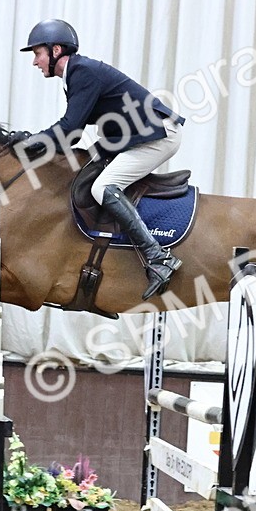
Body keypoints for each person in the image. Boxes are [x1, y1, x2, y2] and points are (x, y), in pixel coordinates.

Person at [19, 19, 184, 300]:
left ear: (55, 50)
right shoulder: (76, 74)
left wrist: (31, 141)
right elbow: (72, 137)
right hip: (130, 136)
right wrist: (35, 142)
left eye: (37, 54)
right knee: (82, 164)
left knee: (102, 188)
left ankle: (159, 257)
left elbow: (69, 128)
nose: (35, 62)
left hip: (158, 135)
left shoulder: (82, 72)